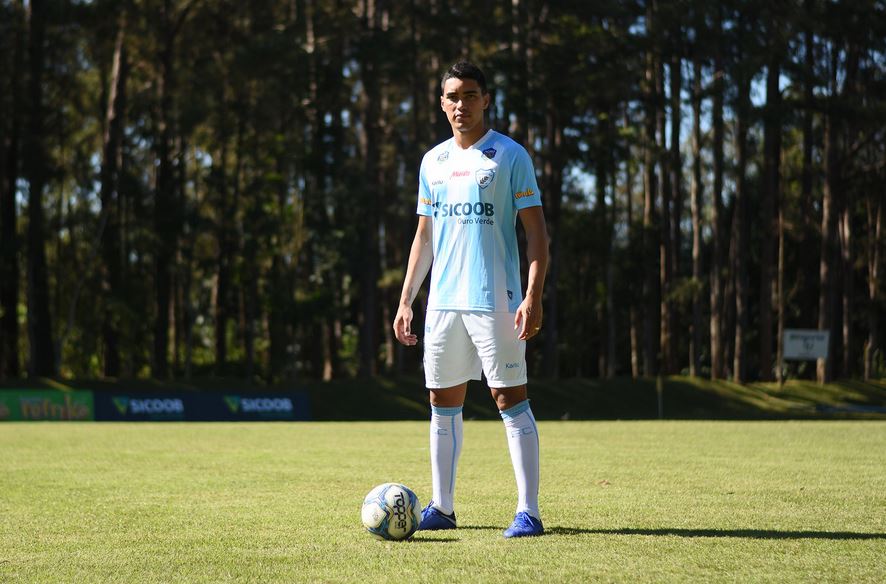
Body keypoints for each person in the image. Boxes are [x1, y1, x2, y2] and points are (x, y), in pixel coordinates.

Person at [393, 61, 549, 538]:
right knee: (442, 401)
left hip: (496, 300)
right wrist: (406, 301)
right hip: (442, 304)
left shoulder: (509, 155)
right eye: (453, 97)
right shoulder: (432, 162)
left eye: (471, 95)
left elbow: (537, 235)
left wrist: (532, 295)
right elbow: (424, 237)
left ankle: (529, 512)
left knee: (509, 398)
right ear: (442, 104)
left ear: (486, 100)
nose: (462, 105)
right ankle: (441, 507)